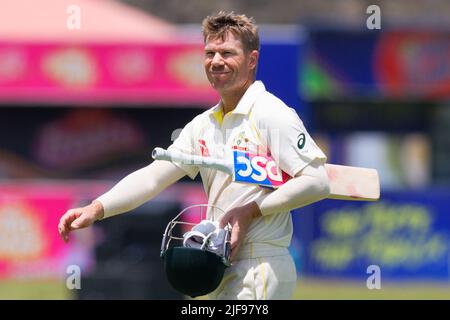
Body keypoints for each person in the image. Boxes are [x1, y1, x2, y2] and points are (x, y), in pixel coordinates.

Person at [58, 11, 330, 300]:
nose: (216, 61)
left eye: (227, 53)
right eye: (209, 53)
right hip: (217, 263)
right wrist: (98, 208)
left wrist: (251, 210)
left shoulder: (271, 114)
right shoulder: (204, 125)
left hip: (259, 265)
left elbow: (317, 182)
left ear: (252, 60)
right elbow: (154, 177)